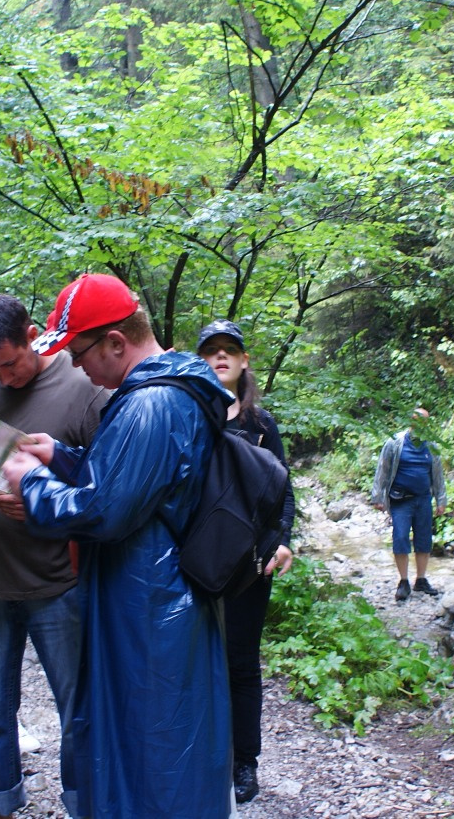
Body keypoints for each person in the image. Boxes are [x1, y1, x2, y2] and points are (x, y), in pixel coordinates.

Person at [0, 274, 234, 818]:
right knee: (147, 737)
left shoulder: (151, 403)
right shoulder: (157, 396)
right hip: (148, 595)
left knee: (152, 743)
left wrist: (29, 484)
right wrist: (58, 455)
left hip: (150, 604)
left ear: (115, 342)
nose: (76, 366)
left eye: (78, 352)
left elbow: (104, 510)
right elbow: (133, 482)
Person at [0, 294, 111, 819]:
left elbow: (103, 491)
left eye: (11, 363)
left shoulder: (83, 386)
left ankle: (85, 805)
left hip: (58, 586)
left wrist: (41, 505)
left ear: (34, 335)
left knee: (77, 712)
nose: (3, 378)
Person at [194, 319, 296, 805]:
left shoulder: (260, 424)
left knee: (240, 662)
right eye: (211, 350)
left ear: (243, 360)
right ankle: (200, 754)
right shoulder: (190, 415)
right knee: (192, 658)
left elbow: (283, 489)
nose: (220, 357)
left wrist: (281, 540)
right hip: (195, 559)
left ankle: (244, 762)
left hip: (250, 561)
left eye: (228, 350)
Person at [369, 407, 448, 602]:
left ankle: (421, 579)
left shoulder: (431, 445)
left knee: (424, 539)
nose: (421, 425)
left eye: (424, 422)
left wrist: (441, 499)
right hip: (401, 499)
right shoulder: (395, 442)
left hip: (423, 499)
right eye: (417, 421)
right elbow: (383, 469)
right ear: (411, 421)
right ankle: (403, 581)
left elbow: (437, 473)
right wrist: (377, 497)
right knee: (401, 536)